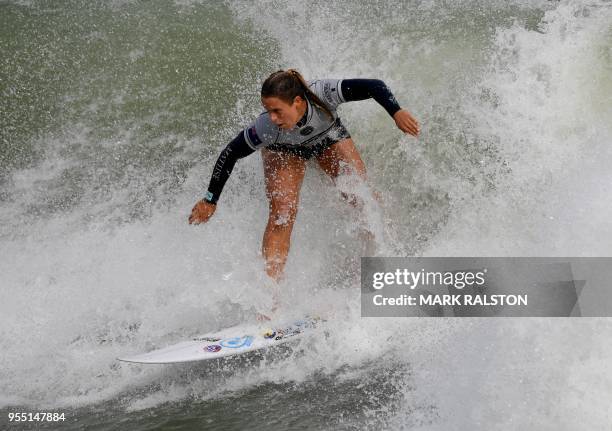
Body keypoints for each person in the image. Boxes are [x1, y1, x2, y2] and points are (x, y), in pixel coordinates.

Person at [189, 69, 419, 283]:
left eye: (277, 111)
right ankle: (270, 296)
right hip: (285, 151)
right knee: (282, 214)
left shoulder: (323, 94)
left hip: (327, 137)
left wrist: (396, 111)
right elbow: (229, 154)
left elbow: (374, 86)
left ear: (297, 102)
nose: (272, 118)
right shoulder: (266, 128)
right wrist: (210, 199)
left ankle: (382, 258)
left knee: (360, 194)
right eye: (268, 111)